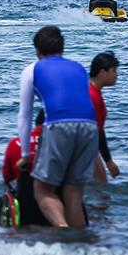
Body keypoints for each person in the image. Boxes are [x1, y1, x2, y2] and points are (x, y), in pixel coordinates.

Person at [15, 26, 98, 228]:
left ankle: (62, 231)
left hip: (59, 125)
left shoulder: (32, 69)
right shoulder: (78, 67)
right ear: (62, 48)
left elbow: (25, 116)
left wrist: (25, 154)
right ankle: (79, 245)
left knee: (42, 190)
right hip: (90, 126)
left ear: (37, 50)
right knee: (74, 193)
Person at [0, 110, 49, 226]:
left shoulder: (15, 143)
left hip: (25, 204)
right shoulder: (60, 144)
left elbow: (7, 177)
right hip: (54, 200)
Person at [89, 52, 121, 183]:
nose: (117, 75)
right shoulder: (93, 96)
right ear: (103, 72)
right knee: (101, 189)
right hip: (86, 147)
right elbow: (98, 131)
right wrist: (109, 161)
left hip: (81, 145)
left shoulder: (90, 90)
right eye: (114, 70)